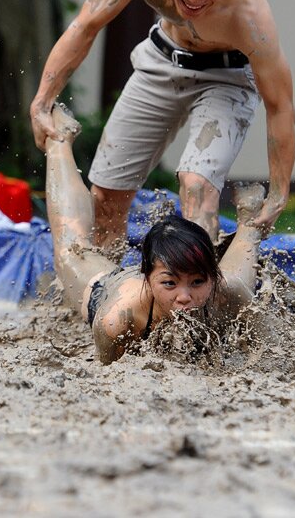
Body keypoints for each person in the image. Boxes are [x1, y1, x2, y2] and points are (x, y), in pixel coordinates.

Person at [31, 0, 295, 250]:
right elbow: (86, 25)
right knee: (106, 194)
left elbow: (280, 105)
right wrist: (42, 102)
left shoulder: (250, 13)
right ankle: (108, 293)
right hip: (161, 59)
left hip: (226, 76)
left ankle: (200, 297)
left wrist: (278, 192)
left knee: (197, 185)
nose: (194, 0)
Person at [46, 103, 265, 364]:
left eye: (197, 283)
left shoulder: (227, 290)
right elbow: (107, 379)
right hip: (109, 288)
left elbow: (269, 351)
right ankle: (59, 140)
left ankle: (250, 223)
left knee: (240, 279)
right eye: (170, 284)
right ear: (147, 279)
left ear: (212, 277)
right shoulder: (117, 319)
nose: (184, 298)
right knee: (71, 249)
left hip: (206, 278)